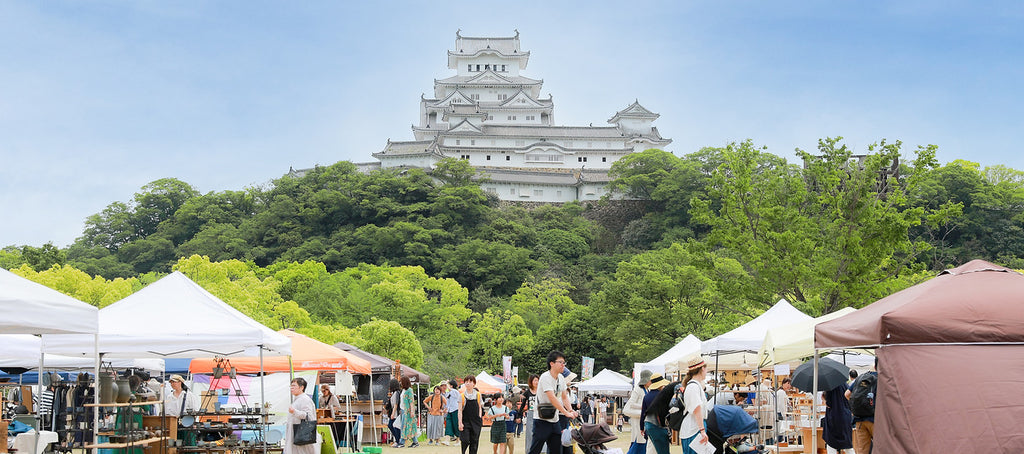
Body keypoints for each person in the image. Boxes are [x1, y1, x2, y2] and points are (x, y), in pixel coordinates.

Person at [528, 351, 578, 454]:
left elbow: (564, 397)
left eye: (564, 363)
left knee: (556, 450)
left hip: (555, 420)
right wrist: (566, 413)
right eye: (560, 362)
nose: (563, 365)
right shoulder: (545, 377)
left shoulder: (560, 378)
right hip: (541, 420)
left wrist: (571, 410)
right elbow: (552, 398)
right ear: (552, 363)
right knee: (535, 450)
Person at [679, 355, 710, 454]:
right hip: (694, 429)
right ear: (702, 368)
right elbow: (697, 409)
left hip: (694, 428)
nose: (706, 372)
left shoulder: (694, 385)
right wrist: (702, 430)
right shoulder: (693, 387)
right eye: (706, 369)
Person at [845, 359, 877, 454]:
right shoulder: (882, 378)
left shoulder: (860, 378)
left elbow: (847, 394)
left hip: (859, 420)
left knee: (862, 450)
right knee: (881, 448)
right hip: (875, 420)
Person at [638, 373, 670, 454]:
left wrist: (642, 427)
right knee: (663, 450)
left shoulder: (646, 396)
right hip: (659, 425)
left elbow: (643, 413)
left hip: (648, 425)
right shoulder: (662, 395)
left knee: (651, 449)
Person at [622, 369, 651, 454]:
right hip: (638, 424)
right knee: (637, 446)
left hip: (644, 424)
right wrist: (642, 412)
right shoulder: (637, 389)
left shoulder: (647, 390)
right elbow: (626, 409)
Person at [286, 377, 317, 454]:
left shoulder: (305, 399)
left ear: (302, 387)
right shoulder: (298, 399)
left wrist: (294, 411)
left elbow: (308, 416)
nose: (291, 388)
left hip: (301, 432)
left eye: (294, 386)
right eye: (291, 386)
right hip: (296, 432)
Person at [821, 385, 853, 454]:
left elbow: (829, 403)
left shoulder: (830, 386)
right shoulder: (845, 385)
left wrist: (824, 399)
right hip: (846, 416)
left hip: (834, 417)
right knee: (847, 445)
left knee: (831, 444)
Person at [459, 375, 484, 454]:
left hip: (476, 421)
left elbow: (480, 407)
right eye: (466, 382)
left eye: (470, 382)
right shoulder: (462, 396)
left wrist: (479, 418)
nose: (468, 384)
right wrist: (460, 422)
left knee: (475, 441)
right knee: (465, 440)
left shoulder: (478, 395)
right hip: (465, 421)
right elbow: (459, 410)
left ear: (474, 384)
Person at [520, 374, 539, 452]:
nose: (536, 382)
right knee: (529, 433)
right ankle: (529, 449)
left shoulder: (541, 390)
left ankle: (541, 449)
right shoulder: (527, 392)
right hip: (531, 413)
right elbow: (523, 404)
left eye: (538, 380)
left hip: (540, 413)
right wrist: (519, 414)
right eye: (535, 380)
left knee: (540, 432)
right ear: (531, 381)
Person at [400, 376, 419, 448]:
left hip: (408, 411)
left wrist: (412, 411)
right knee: (408, 426)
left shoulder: (409, 390)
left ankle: (402, 442)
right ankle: (415, 441)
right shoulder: (403, 390)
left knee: (405, 426)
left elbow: (411, 402)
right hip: (403, 410)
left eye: (401, 382)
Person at [775, 378, 792, 443]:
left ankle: (780, 442)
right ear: (783, 383)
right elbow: (781, 404)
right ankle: (780, 443)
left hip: (780, 413)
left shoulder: (781, 392)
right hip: (780, 413)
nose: (789, 385)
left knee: (781, 429)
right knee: (782, 429)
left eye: (790, 384)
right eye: (787, 383)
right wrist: (784, 414)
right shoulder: (781, 392)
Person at [444, 380, 461, 445]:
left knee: (456, 425)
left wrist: (446, 382)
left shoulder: (455, 391)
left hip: (455, 410)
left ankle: (458, 441)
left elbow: (450, 389)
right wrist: (446, 408)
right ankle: (447, 440)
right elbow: (448, 402)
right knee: (448, 425)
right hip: (450, 410)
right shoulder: (448, 393)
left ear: (451, 385)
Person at [388, 379, 403, 448]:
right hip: (394, 412)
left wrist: (393, 414)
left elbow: (396, 405)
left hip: (396, 413)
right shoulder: (394, 393)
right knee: (393, 426)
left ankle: (398, 440)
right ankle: (398, 440)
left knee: (393, 425)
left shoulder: (397, 393)